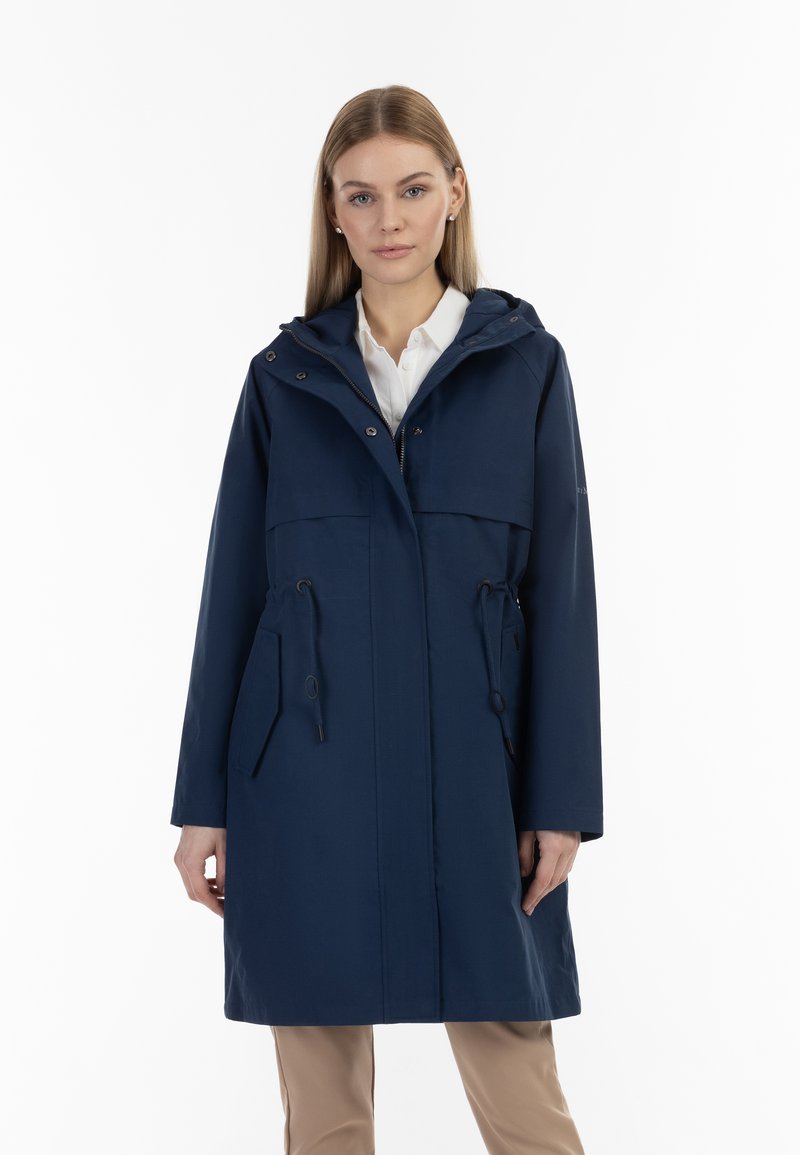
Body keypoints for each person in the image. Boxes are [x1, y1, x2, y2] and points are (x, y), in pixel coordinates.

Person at [171, 84, 603, 1155]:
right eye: (360, 196)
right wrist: (202, 804)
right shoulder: (282, 382)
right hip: (303, 782)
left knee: (525, 1106)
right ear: (332, 212)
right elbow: (233, 597)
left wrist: (560, 801)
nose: (389, 219)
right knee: (322, 1122)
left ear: (454, 193)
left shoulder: (525, 367)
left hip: (479, 777)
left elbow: (562, 594)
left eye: (412, 189)